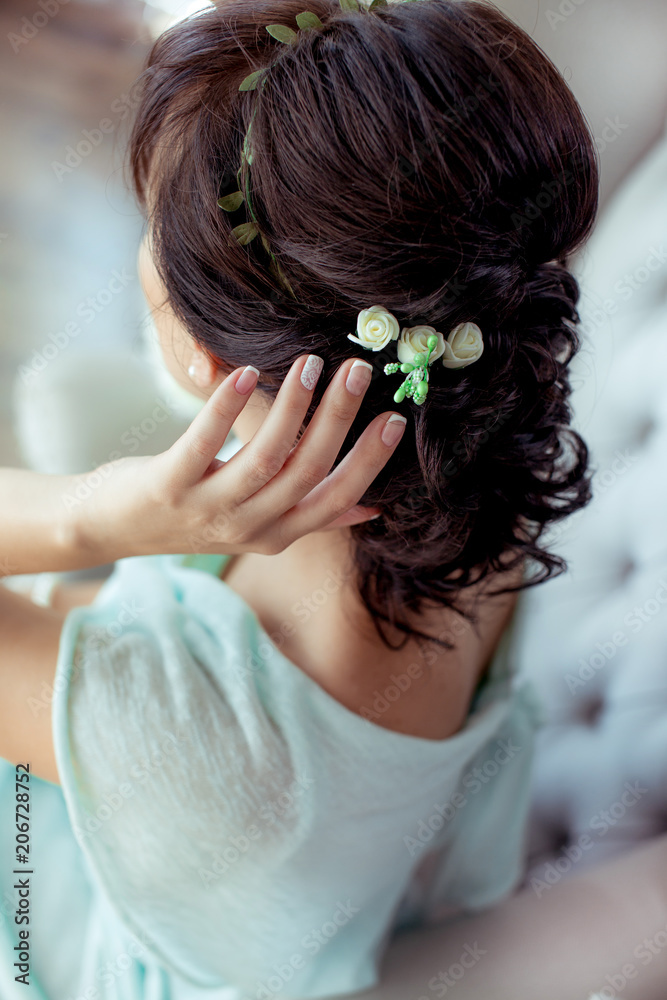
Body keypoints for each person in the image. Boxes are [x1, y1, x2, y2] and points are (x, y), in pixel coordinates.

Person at [0, 0, 599, 997]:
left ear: (207, 356)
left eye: (151, 233)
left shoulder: (205, 731)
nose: (143, 257)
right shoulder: (484, 458)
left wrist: (98, 513)